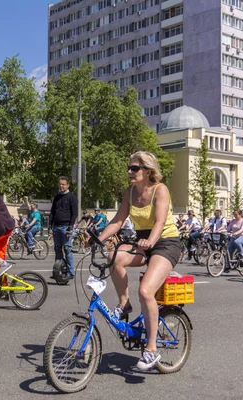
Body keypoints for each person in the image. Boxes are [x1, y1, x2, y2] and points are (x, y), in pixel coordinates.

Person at [97, 151, 181, 371]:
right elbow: (117, 221)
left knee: (145, 291)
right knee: (114, 256)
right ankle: (124, 303)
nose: (129, 172)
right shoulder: (130, 192)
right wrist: (98, 238)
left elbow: (161, 222)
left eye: (134, 168)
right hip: (143, 241)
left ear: (147, 170)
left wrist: (150, 241)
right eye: (129, 167)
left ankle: (152, 350)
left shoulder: (160, 190)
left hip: (166, 242)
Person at [49, 176, 78, 280]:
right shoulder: (56, 197)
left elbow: (74, 214)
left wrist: (70, 227)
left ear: (68, 185)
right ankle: (57, 271)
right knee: (57, 249)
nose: (61, 186)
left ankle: (71, 272)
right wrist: (50, 226)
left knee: (67, 249)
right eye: (60, 184)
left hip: (66, 227)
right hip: (56, 227)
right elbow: (52, 212)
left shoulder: (72, 197)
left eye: (63, 184)